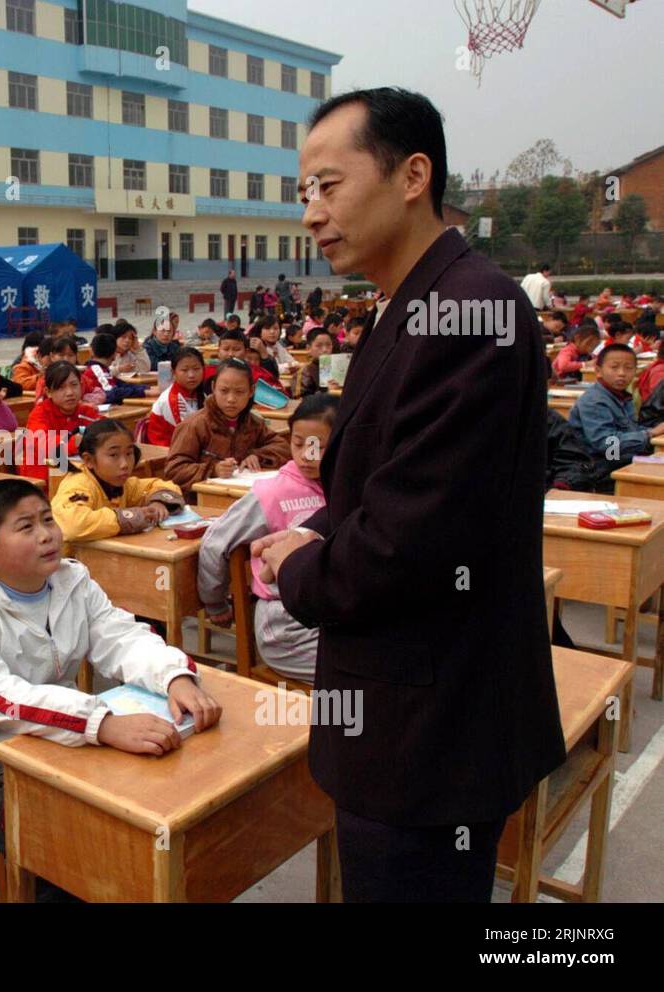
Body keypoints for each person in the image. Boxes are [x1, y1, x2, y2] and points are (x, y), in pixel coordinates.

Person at [256, 87, 563, 902]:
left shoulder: (473, 310)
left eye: (328, 184)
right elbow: (380, 480)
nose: (311, 214)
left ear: (412, 174)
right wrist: (314, 525)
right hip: (397, 713)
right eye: (303, 194)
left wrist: (296, 563)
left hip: (433, 730)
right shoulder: (410, 304)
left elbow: (408, 541)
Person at [0, 478, 222, 867]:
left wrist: (174, 676)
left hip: (57, 726)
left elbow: (119, 636)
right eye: (26, 527)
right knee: (61, 851)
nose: (47, 535)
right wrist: (102, 723)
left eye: (48, 519)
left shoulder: (72, 579)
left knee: (138, 811)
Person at [198, 393, 339, 683]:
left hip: (329, 613)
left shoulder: (343, 487)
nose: (306, 455)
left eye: (318, 447)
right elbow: (215, 543)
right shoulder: (273, 492)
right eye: (298, 444)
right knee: (363, 675)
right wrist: (216, 605)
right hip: (285, 627)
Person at [163, 358, 290, 492]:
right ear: (213, 388)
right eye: (224, 391)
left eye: (239, 392)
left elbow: (283, 447)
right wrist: (213, 469)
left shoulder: (252, 423)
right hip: (204, 501)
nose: (231, 399)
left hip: (244, 496)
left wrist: (257, 455)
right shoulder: (195, 425)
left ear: (251, 391)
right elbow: (173, 470)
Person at [50, 419, 183, 542]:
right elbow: (73, 525)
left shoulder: (123, 484)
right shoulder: (78, 485)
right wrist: (130, 517)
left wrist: (158, 503)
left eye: (129, 453)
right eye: (114, 455)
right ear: (88, 460)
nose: (124, 464)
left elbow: (159, 485)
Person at [569, 343, 664, 488]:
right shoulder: (594, 401)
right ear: (598, 371)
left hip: (619, 462)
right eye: (614, 367)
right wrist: (649, 434)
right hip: (598, 472)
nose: (622, 373)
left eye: (629, 368)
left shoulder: (622, 397)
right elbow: (606, 445)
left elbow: (630, 431)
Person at [19, 362, 102, 483]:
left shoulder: (87, 411)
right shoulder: (40, 413)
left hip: (80, 475)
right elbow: (44, 444)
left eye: (74, 385)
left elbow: (106, 432)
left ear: (82, 386)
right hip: (44, 481)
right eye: (61, 387)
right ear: (48, 392)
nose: (70, 392)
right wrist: (76, 442)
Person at [145, 346, 205, 447]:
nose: (191, 375)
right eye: (185, 370)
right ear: (173, 373)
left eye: (196, 369)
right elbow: (187, 437)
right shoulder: (169, 400)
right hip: (167, 451)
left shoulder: (202, 394)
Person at [81, 334, 157, 405]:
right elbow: (111, 393)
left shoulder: (103, 369)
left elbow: (123, 385)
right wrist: (145, 392)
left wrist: (149, 388)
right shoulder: (96, 369)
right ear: (114, 353)